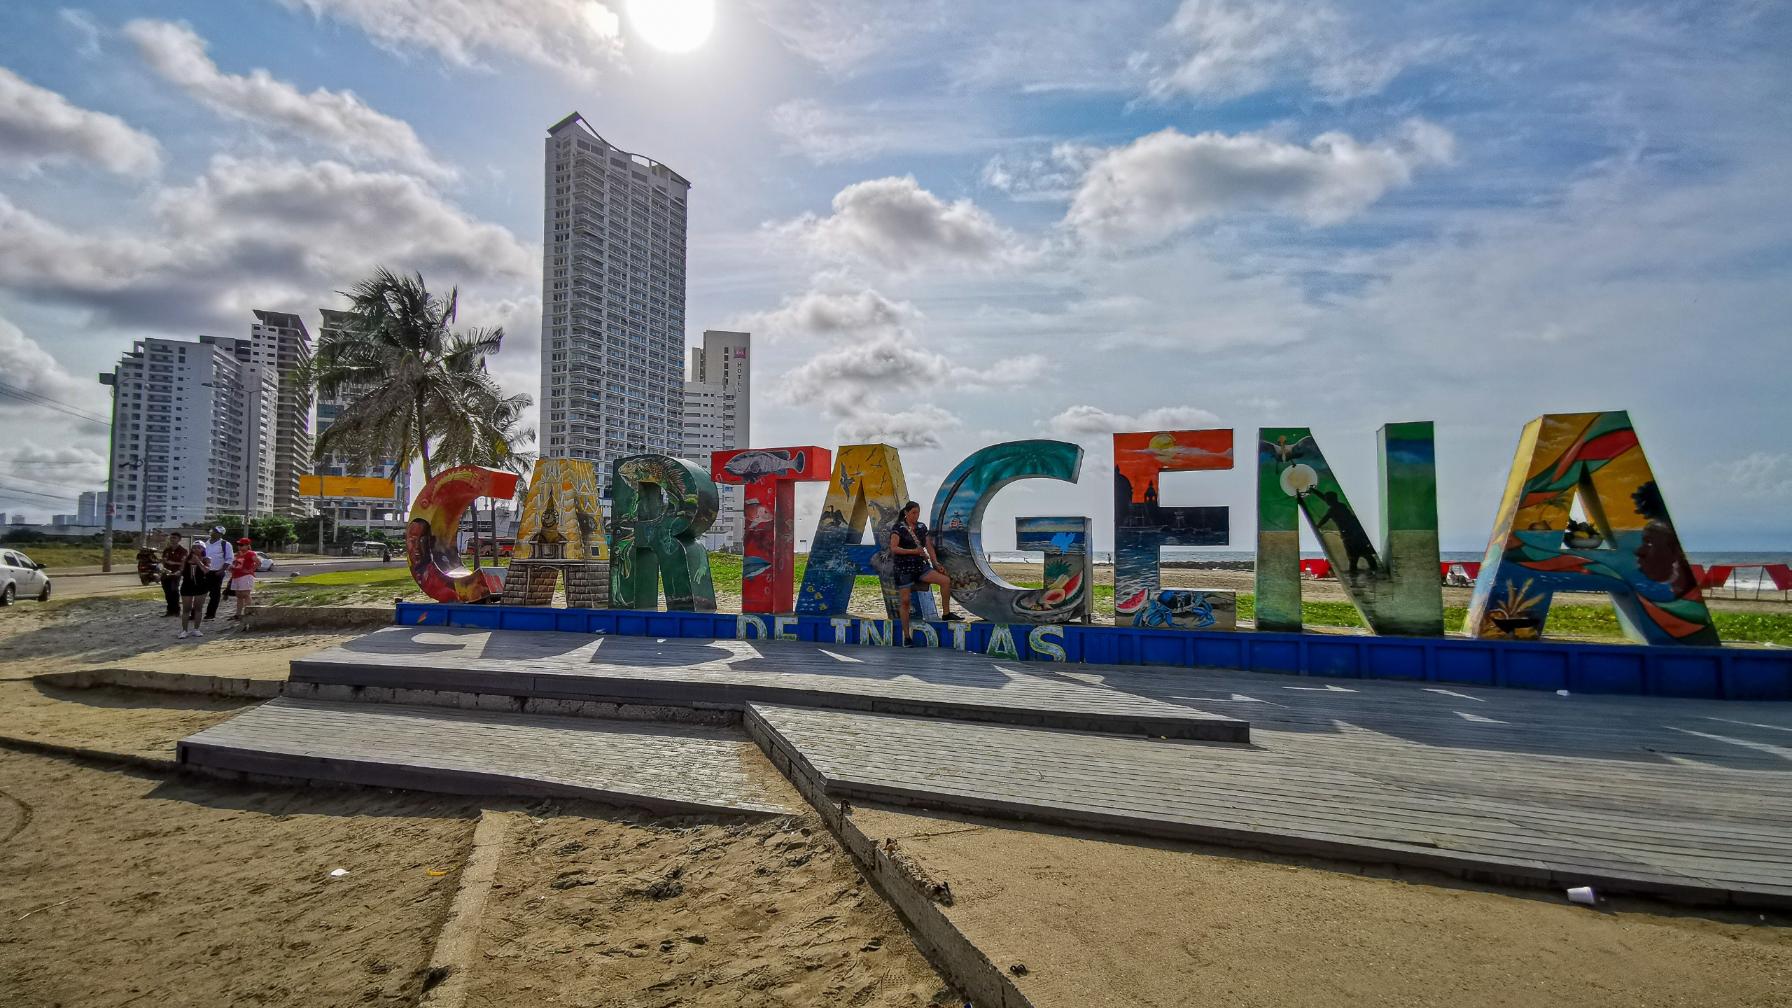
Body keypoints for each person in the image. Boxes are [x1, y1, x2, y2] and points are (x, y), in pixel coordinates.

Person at [888, 501, 961, 647]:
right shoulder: (898, 528)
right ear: (906, 513)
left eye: (918, 512)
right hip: (903, 569)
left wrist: (935, 563)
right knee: (905, 601)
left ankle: (946, 613)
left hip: (920, 567)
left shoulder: (921, 527)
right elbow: (894, 548)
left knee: (945, 581)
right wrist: (913, 551)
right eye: (914, 512)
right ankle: (907, 636)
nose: (916, 515)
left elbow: (928, 546)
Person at [177, 544, 211, 639]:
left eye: (199, 547)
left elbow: (206, 571)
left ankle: (196, 629)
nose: (196, 549)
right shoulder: (185, 559)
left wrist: (199, 562)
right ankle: (184, 630)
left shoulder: (206, 559)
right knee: (186, 608)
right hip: (187, 586)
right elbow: (181, 570)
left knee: (198, 608)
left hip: (201, 586)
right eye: (194, 547)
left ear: (203, 549)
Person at [200, 526, 235, 620]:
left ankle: (210, 614)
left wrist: (222, 570)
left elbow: (229, 558)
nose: (212, 532)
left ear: (220, 534)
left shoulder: (225, 544)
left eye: (215, 532)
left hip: (217, 572)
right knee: (199, 593)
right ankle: (195, 613)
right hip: (204, 571)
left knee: (214, 594)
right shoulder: (205, 543)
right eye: (212, 530)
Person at [228, 537, 258, 621]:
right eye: (238, 545)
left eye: (241, 545)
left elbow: (258, 562)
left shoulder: (250, 553)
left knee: (246, 594)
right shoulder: (238, 554)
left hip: (245, 576)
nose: (239, 546)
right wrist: (231, 567)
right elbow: (235, 563)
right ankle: (238, 614)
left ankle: (248, 612)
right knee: (239, 596)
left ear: (247, 545)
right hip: (236, 576)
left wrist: (250, 570)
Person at [158, 532, 188, 617]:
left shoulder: (183, 551)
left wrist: (174, 564)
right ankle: (169, 610)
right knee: (167, 592)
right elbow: (164, 561)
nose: (172, 539)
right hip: (165, 573)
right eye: (171, 538)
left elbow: (183, 563)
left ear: (179, 539)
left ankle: (176, 610)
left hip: (175, 573)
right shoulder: (167, 550)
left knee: (174, 591)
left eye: (174, 538)